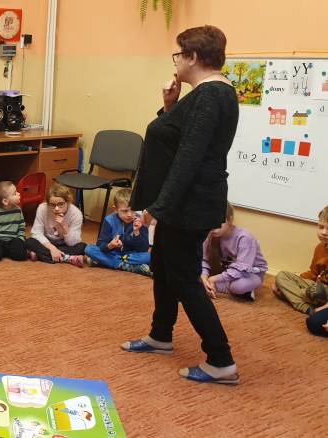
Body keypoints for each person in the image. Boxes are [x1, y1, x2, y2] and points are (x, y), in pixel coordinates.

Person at [123, 25, 240, 384]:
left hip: (190, 203)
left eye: (179, 54)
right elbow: (174, 138)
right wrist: (170, 106)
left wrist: (156, 208)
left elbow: (188, 158)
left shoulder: (211, 95)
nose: (176, 61)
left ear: (194, 57)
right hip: (186, 201)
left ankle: (221, 360)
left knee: (185, 278)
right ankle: (161, 335)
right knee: (162, 264)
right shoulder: (203, 95)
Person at [200, 204, 268, 301]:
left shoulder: (244, 238)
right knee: (194, 277)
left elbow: (241, 269)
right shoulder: (211, 234)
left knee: (238, 286)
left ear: (230, 220)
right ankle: (226, 287)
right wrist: (204, 277)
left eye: (218, 222)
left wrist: (213, 279)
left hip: (250, 273)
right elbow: (204, 260)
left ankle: (237, 288)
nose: (213, 228)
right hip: (227, 271)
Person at [272, 205, 328, 316]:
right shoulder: (319, 247)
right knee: (282, 276)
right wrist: (296, 280)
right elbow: (313, 273)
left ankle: (296, 300)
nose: (324, 232)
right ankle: (308, 307)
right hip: (315, 286)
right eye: (321, 227)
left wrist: (289, 290)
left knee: (316, 291)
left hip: (322, 292)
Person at [85, 188, 151, 276]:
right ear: (115, 209)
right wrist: (110, 245)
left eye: (133, 210)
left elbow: (143, 249)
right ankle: (125, 266)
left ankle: (105, 261)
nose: (129, 214)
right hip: (112, 252)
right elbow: (100, 244)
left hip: (130, 255)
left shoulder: (140, 221)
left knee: (149, 256)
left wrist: (137, 232)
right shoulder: (109, 220)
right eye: (125, 211)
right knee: (89, 249)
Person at [25, 183, 86, 267]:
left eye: (61, 204)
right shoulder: (42, 208)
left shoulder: (76, 213)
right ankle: (67, 258)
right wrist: (52, 248)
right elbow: (36, 233)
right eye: (52, 205)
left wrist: (64, 226)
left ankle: (40, 255)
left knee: (82, 247)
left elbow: (72, 243)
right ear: (48, 203)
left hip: (64, 244)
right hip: (46, 243)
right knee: (29, 241)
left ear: (68, 202)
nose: (56, 209)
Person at [0, 181, 28, 262]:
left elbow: (21, 225)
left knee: (21, 256)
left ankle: (5, 251)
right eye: (15, 193)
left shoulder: (18, 210)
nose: (18, 194)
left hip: (13, 239)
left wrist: (21, 238)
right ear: (5, 201)